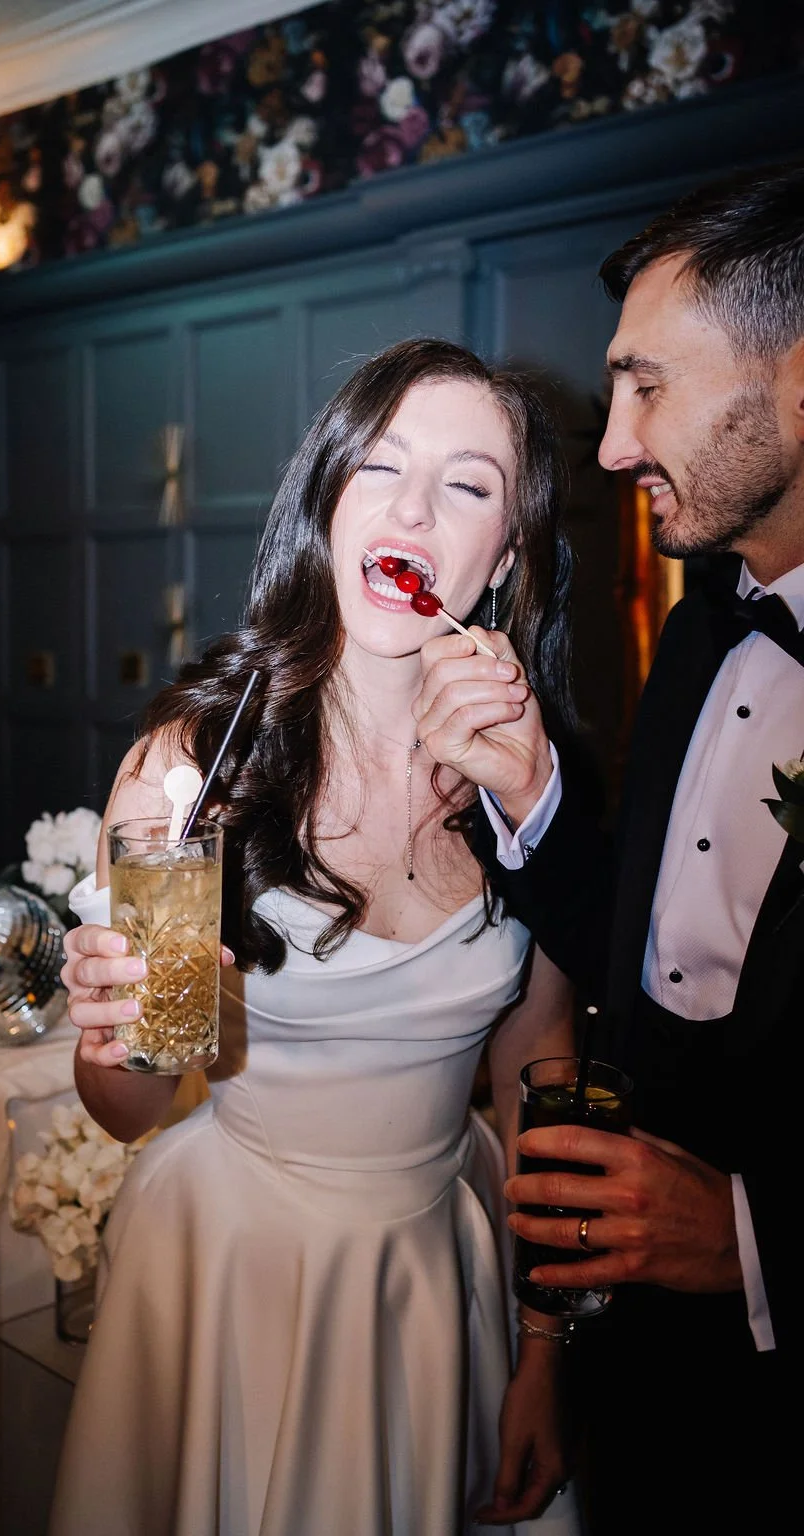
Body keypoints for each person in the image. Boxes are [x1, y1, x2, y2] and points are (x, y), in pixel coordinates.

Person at [47, 338, 588, 1536]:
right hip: (231, 1261)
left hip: (440, 1270)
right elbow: (132, 1106)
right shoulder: (194, 768)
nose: (412, 508)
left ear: (504, 554)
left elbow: (539, 1069)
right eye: (379, 466)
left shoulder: (537, 787)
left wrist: (543, 1347)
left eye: (467, 484)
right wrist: (113, 1037)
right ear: (328, 501)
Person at [412, 161, 802, 1533]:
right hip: (643, 1386)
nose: (615, 445)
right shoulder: (698, 631)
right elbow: (639, 965)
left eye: (647, 387)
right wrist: (529, 797)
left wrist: (750, 1238)